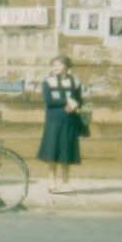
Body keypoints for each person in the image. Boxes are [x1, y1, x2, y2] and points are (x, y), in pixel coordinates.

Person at [36, 55, 86, 195]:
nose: (55, 67)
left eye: (58, 64)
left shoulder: (75, 82)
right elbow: (49, 101)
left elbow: (80, 99)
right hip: (53, 121)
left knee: (66, 151)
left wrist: (75, 104)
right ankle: (51, 182)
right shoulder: (48, 81)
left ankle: (65, 182)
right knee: (52, 151)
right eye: (54, 65)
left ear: (67, 66)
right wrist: (67, 101)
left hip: (70, 120)